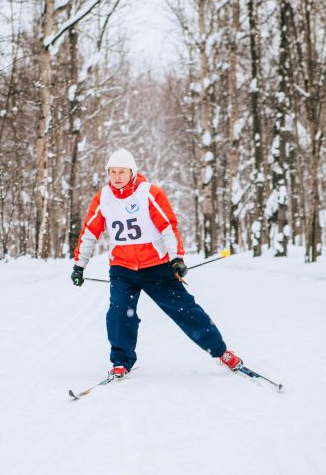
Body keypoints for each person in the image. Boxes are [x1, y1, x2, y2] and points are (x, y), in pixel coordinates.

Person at [71, 148, 243, 378]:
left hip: (156, 267)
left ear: (132, 172)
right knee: (120, 312)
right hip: (122, 268)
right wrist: (79, 265)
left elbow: (167, 227)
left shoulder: (149, 193)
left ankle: (221, 352)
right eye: (112, 172)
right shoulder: (104, 198)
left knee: (185, 310)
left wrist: (176, 258)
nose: (117, 177)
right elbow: (90, 232)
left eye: (121, 172)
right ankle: (121, 362)